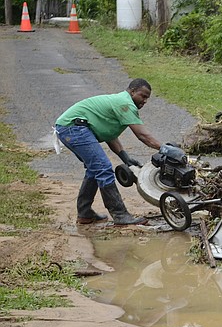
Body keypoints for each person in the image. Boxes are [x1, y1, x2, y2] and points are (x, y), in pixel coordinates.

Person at [55, 78, 162, 225]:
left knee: (95, 169)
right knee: (103, 168)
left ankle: (85, 213)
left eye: (147, 98)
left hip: (72, 127)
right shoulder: (125, 104)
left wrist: (125, 157)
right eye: (142, 96)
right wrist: (164, 149)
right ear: (132, 92)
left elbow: (109, 134)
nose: (144, 101)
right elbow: (143, 136)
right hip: (72, 127)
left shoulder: (122, 102)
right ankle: (120, 215)